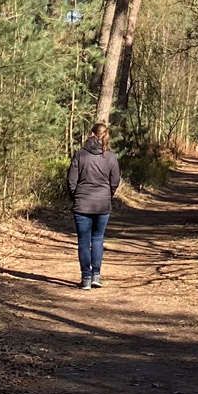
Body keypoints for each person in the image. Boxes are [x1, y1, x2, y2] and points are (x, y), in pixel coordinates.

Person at [67, 121, 121, 289]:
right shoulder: (110, 157)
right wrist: (108, 194)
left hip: (82, 203)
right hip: (102, 204)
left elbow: (71, 181)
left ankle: (86, 279)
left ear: (90, 134)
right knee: (97, 239)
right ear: (106, 136)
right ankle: (96, 275)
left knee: (84, 240)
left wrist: (76, 196)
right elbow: (115, 181)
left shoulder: (80, 155)